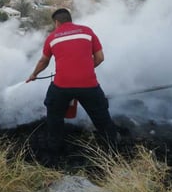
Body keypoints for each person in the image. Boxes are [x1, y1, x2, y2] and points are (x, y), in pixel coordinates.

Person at [26, 8, 118, 158]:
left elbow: (43, 61)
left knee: (54, 116)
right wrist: (85, 69)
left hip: (62, 86)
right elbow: (100, 57)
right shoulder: (87, 32)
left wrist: (34, 74)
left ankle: (55, 150)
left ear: (57, 22)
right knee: (102, 118)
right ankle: (112, 151)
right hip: (89, 85)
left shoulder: (52, 37)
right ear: (70, 19)